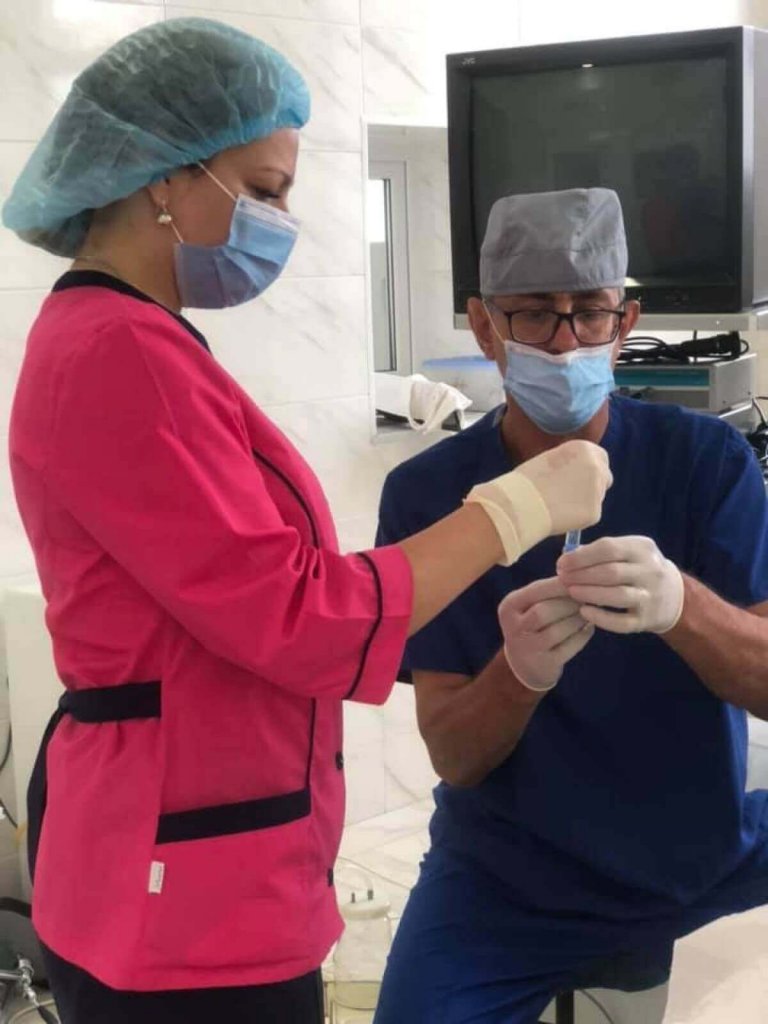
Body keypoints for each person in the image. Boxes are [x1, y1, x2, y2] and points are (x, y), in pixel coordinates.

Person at [0, 21, 612, 1024]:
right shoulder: (119, 352)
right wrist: (518, 507)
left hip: (189, 851)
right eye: (267, 188)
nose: (282, 222)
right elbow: (296, 614)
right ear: (166, 178)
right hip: (178, 905)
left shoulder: (140, 340)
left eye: (592, 311)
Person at [374, 188, 768, 1024]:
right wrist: (516, 676)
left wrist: (682, 607)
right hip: (509, 886)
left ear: (626, 324)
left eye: (590, 313)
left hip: (698, 855)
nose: (565, 343)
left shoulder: (706, 462)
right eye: (534, 315)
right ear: (485, 328)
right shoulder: (429, 498)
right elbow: (455, 756)